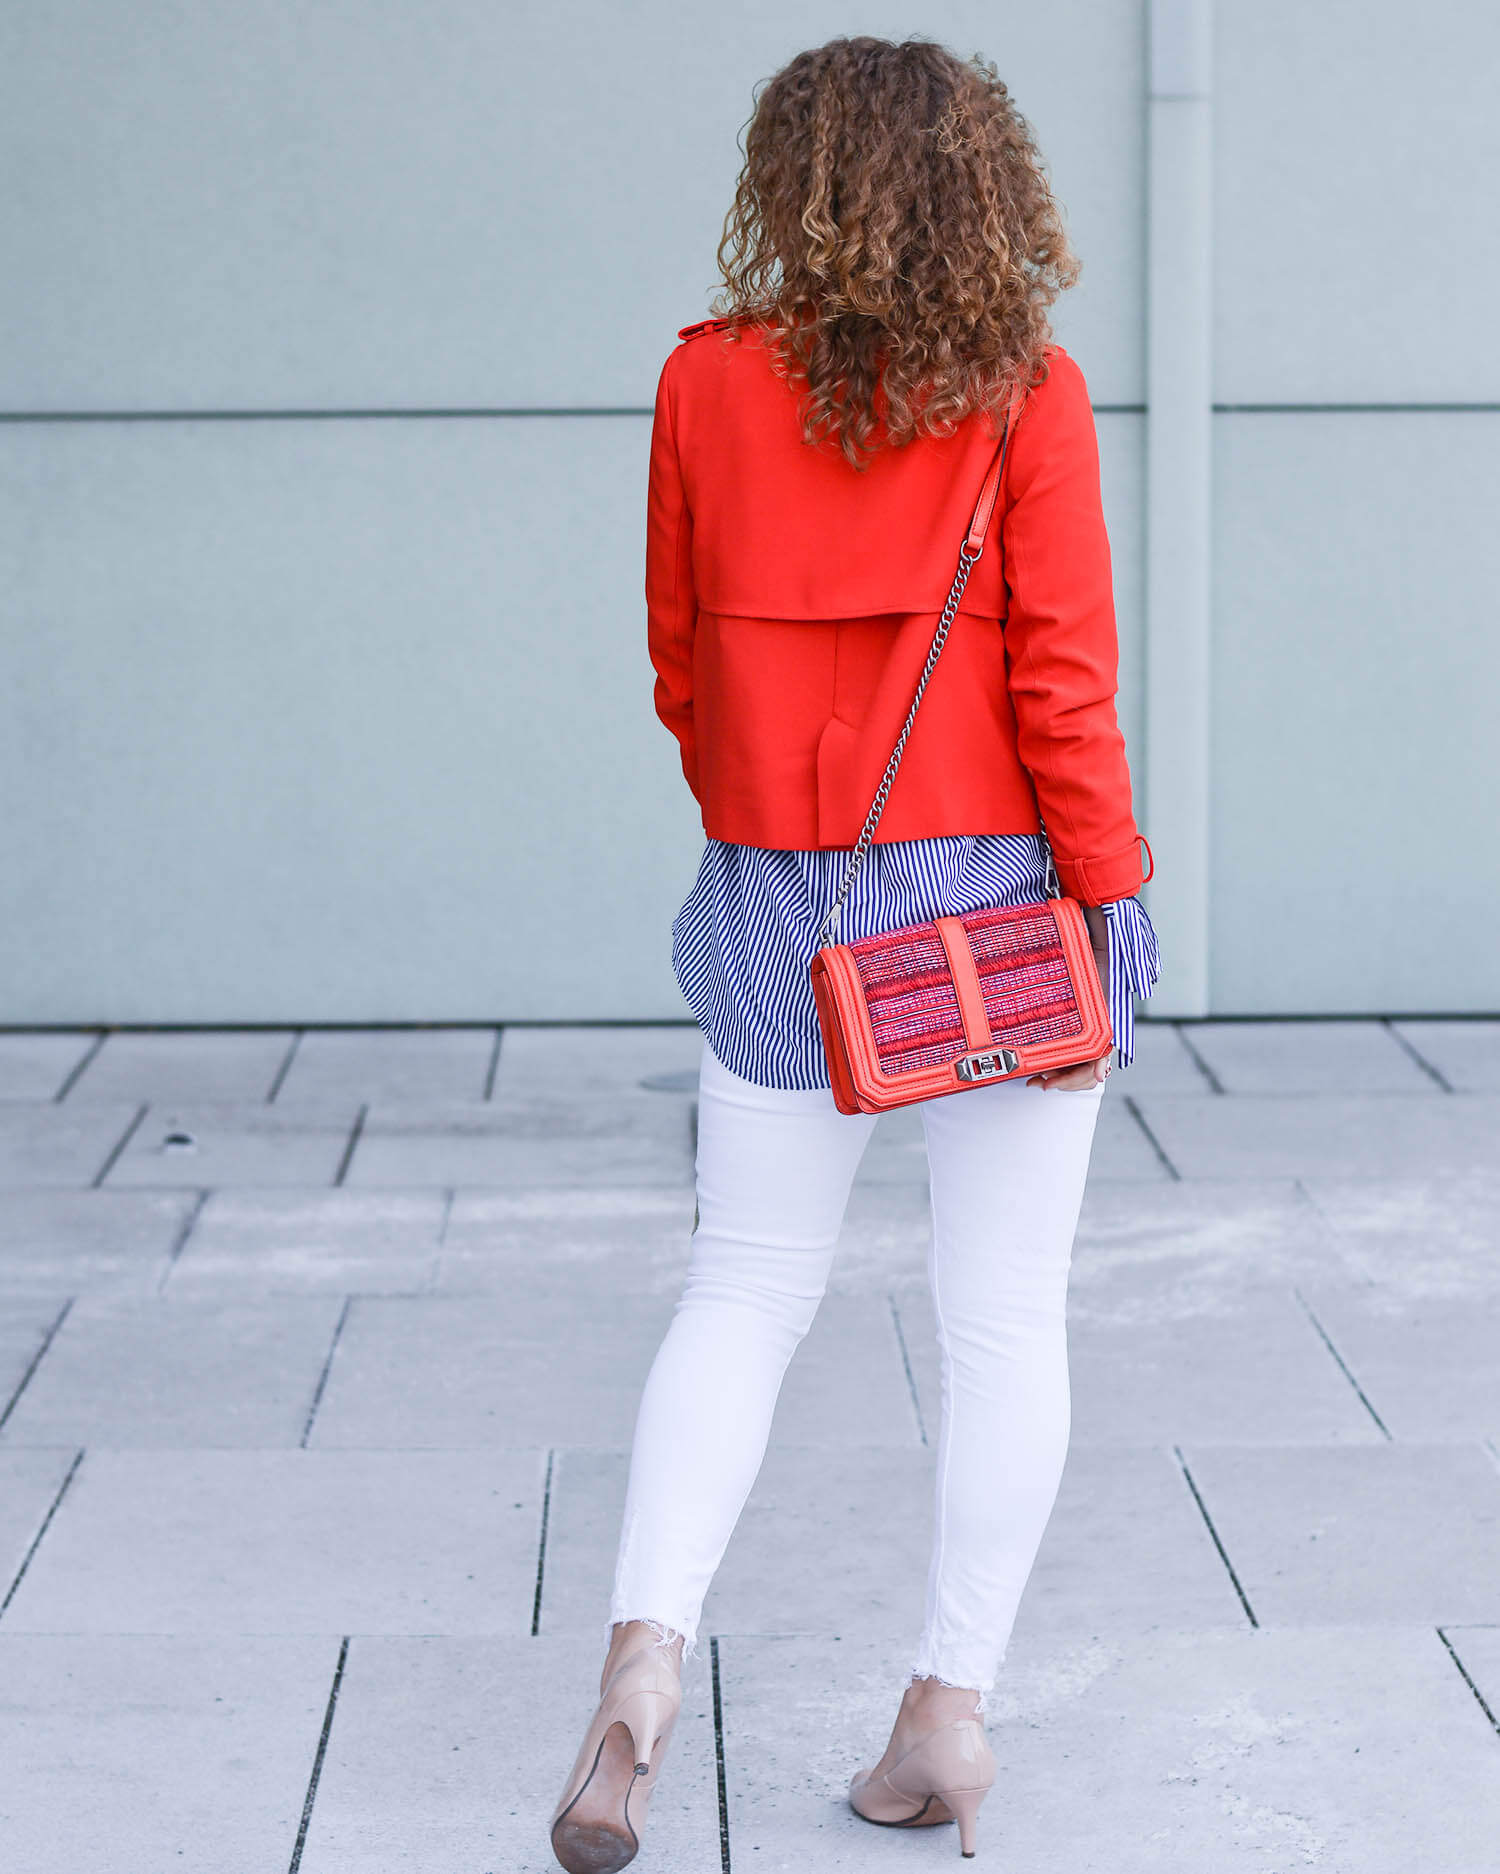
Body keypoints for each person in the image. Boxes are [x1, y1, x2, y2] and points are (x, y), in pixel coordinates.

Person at [550, 34, 1159, 1871]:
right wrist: (1114, 900)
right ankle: (946, 1716)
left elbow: (676, 664)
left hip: (770, 890)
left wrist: (773, 826)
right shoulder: (1024, 395)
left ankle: (640, 1675)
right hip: (991, 907)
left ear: (790, 183)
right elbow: (1064, 690)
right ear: (989, 189)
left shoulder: (699, 385)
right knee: (1004, 1318)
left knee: (741, 1284)